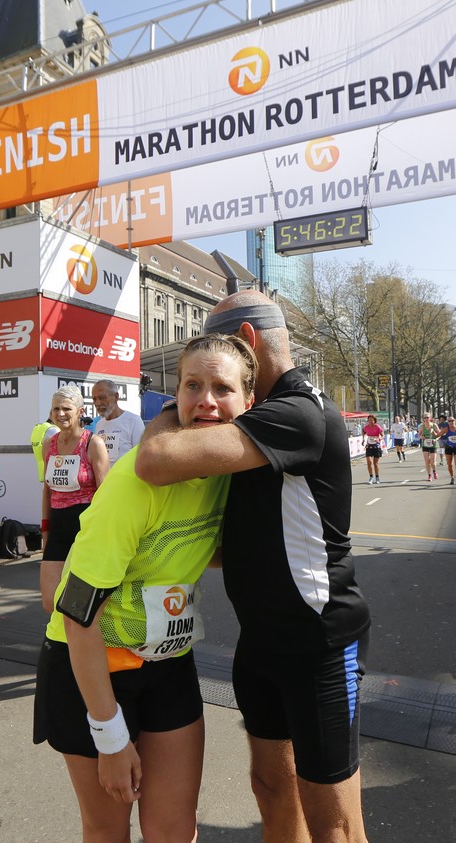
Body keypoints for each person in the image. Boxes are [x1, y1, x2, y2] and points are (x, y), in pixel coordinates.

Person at [136, 290, 370, 843]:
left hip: (318, 643)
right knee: (270, 787)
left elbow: (156, 459)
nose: (209, 393)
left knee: (334, 825)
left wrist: (177, 401)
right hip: (260, 641)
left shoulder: (298, 411)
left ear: (246, 341)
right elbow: (236, 544)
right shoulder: (255, 414)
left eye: (218, 357)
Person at [34, 333, 256, 842]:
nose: (206, 400)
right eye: (192, 385)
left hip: (168, 660)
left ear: (248, 401)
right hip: (91, 666)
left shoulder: (230, 473)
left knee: (174, 828)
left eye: (222, 388)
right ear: (175, 397)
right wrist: (109, 735)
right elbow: (76, 612)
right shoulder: (135, 483)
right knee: (108, 830)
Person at [41, 385, 111, 613]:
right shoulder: (48, 445)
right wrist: (45, 529)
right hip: (57, 525)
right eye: (56, 409)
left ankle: (78, 637)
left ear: (80, 412)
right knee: (50, 601)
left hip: (85, 526)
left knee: (79, 605)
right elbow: (47, 490)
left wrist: (102, 534)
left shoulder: (93, 443)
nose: (60, 414)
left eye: (66, 409)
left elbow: (105, 494)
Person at [92, 379, 146, 464]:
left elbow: (142, 456)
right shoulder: (99, 425)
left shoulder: (134, 421)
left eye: (102, 398)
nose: (97, 403)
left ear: (116, 397)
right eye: (94, 399)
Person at [441, 417, 456, 484]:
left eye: (452, 421)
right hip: (448, 447)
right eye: (449, 421)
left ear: (455, 421)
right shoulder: (446, 429)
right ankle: (452, 477)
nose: (451, 422)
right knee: (449, 464)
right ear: (448, 422)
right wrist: (433, 434)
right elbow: (438, 435)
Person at [362, 415, 383, 485]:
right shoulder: (366, 427)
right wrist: (363, 439)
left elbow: (382, 435)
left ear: (374, 420)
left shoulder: (377, 427)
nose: (370, 421)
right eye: (369, 420)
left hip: (376, 446)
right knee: (369, 462)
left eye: (372, 420)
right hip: (369, 446)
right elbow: (363, 432)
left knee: (375, 463)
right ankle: (371, 477)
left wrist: (379, 439)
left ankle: (377, 477)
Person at [418, 413, 440, 481]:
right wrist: (421, 437)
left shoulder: (434, 425)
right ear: (423, 419)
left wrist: (435, 439)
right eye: (425, 418)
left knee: (432, 462)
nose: (426, 419)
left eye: (427, 417)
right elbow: (419, 435)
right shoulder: (422, 426)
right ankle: (429, 475)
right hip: (425, 445)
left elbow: (439, 434)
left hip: (433, 445)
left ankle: (434, 471)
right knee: (427, 461)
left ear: (430, 418)